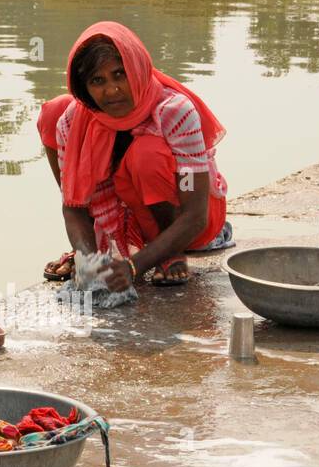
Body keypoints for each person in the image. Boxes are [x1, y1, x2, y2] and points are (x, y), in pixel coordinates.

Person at [37, 21, 232, 288]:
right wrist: (90, 261)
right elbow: (73, 207)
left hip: (190, 220)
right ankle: (102, 246)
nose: (112, 90)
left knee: (145, 155)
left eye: (120, 74)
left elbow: (195, 216)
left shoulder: (173, 110)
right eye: (97, 81)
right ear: (84, 88)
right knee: (55, 111)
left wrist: (133, 267)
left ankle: (170, 251)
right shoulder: (74, 122)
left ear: (137, 70)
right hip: (127, 211)